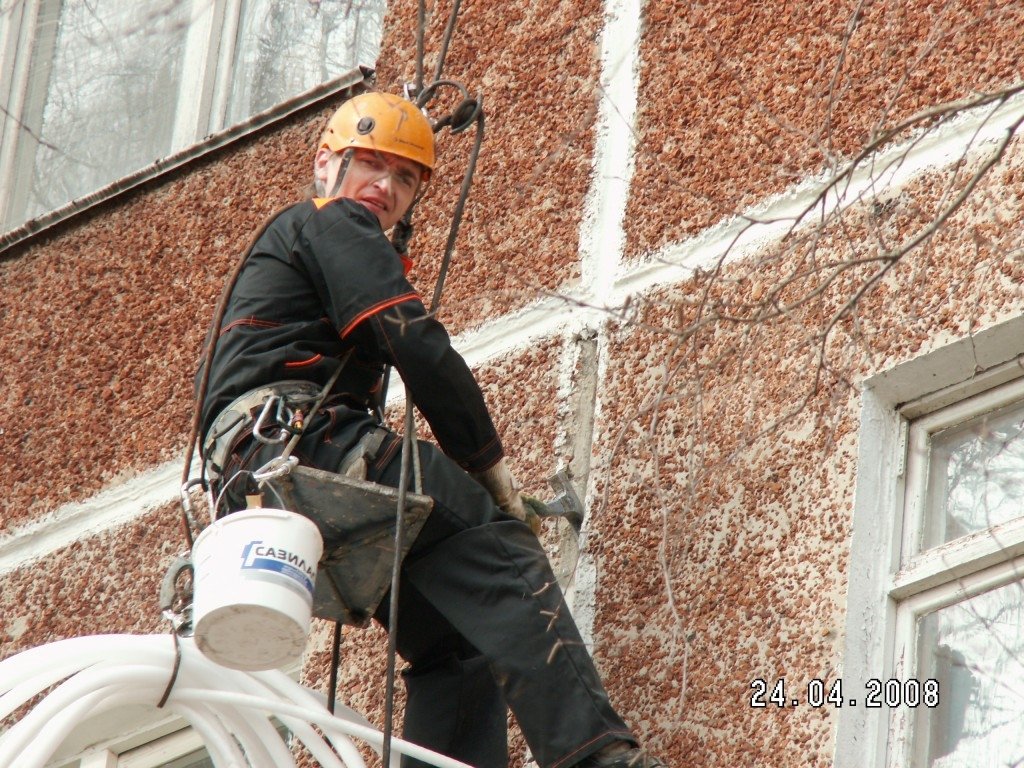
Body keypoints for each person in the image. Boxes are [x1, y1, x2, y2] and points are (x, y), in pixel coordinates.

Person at [196, 90, 664, 768]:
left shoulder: (297, 248)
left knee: (458, 646)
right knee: (497, 547)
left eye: (406, 177)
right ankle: (596, 758)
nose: (384, 188)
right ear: (326, 163)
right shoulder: (328, 221)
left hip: (255, 471)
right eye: (371, 165)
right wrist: (492, 476)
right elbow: (416, 346)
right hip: (305, 440)